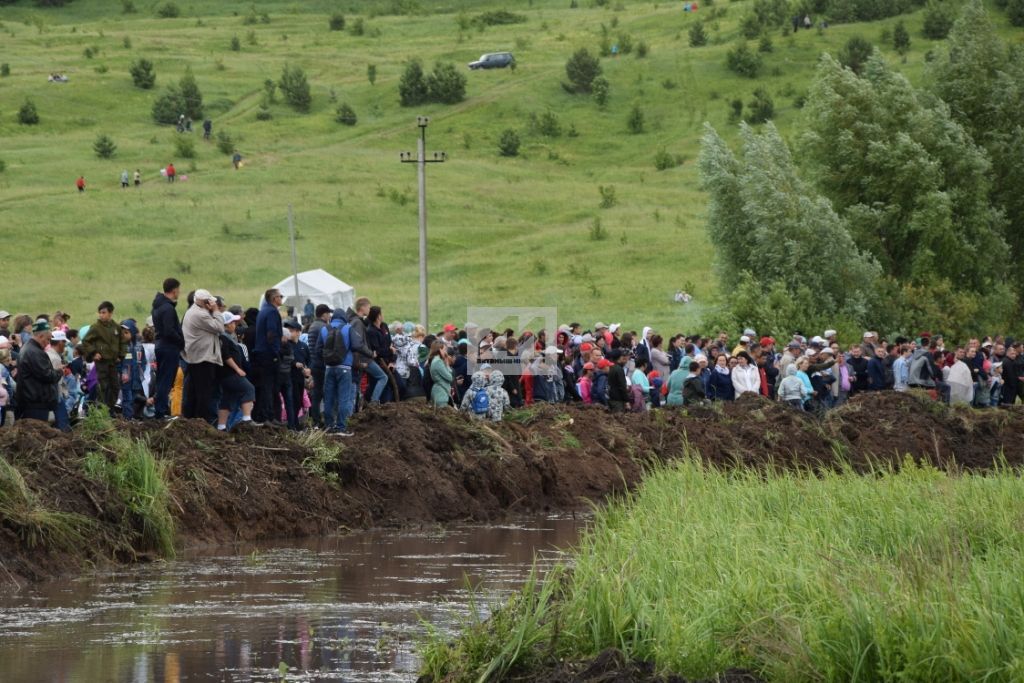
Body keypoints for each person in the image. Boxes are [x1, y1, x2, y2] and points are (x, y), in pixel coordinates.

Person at [182, 289, 224, 422]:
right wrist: (216, 310)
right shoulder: (200, 314)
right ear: (204, 302)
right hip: (203, 358)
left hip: (195, 358)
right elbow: (219, 327)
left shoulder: (192, 311)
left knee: (194, 392)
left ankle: (192, 419)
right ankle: (201, 420)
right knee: (204, 392)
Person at [82, 301, 126, 415]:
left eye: (104, 312)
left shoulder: (116, 327)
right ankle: (103, 411)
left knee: (115, 387)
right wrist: (93, 353)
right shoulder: (96, 327)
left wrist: (120, 356)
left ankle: (110, 408)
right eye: (100, 313)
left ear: (110, 313)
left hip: (113, 362)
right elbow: (86, 341)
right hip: (101, 362)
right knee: (103, 387)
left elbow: (123, 342)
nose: (101, 315)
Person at [14, 320, 62, 423]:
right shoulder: (35, 352)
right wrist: (59, 371)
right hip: (36, 404)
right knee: (37, 435)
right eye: (48, 339)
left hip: (31, 402)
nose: (49, 343)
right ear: (40, 336)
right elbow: (47, 376)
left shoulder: (27, 348)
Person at [217, 312, 256, 430]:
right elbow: (226, 356)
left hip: (227, 374)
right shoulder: (223, 337)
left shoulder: (228, 337)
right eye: (232, 322)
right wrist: (237, 369)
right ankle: (246, 419)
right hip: (229, 373)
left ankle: (222, 426)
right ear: (226, 325)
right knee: (249, 388)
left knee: (227, 398)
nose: (235, 325)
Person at [152, 278, 184, 420]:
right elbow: (169, 331)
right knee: (166, 380)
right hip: (169, 347)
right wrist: (181, 341)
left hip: (160, 345)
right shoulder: (168, 309)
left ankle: (160, 410)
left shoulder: (157, 307)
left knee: (162, 379)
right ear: (174, 290)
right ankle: (161, 412)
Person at [320, 308, 354, 436]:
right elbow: (355, 346)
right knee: (343, 398)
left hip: (328, 368)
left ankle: (329, 427)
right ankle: (341, 427)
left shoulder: (324, 329)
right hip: (345, 367)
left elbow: (319, 348)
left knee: (328, 397)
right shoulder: (348, 328)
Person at [253, 289, 283, 423]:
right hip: (269, 354)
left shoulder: (263, 311)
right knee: (270, 386)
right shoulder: (272, 311)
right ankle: (269, 416)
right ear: (274, 298)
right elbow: (271, 333)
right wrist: (276, 352)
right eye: (280, 296)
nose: (281, 298)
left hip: (261, 352)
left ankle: (267, 415)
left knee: (266, 385)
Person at [428, 340, 454, 407]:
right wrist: (447, 364)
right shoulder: (438, 361)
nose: (446, 352)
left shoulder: (435, 360)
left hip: (440, 391)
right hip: (441, 393)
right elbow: (450, 377)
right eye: (445, 349)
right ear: (440, 349)